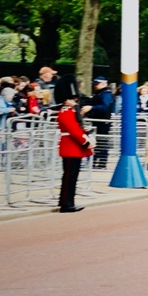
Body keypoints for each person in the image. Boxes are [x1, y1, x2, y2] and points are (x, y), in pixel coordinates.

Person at [56, 77, 91, 212]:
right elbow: (73, 130)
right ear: (65, 99)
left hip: (73, 146)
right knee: (70, 176)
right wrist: (85, 141)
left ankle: (66, 200)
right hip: (70, 146)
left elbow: (78, 128)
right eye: (71, 99)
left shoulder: (70, 111)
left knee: (71, 176)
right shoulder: (65, 112)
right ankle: (66, 203)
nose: (74, 101)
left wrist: (87, 135)